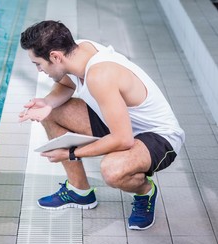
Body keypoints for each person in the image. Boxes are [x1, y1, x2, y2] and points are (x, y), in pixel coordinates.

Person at [18, 20, 185, 230]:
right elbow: (66, 83)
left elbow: (122, 139)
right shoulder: (77, 50)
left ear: (55, 57)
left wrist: (71, 154)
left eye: (38, 64)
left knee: (113, 170)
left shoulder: (100, 75)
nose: (39, 71)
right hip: (117, 121)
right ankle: (79, 192)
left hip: (157, 136)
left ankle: (145, 192)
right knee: (51, 113)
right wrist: (47, 103)